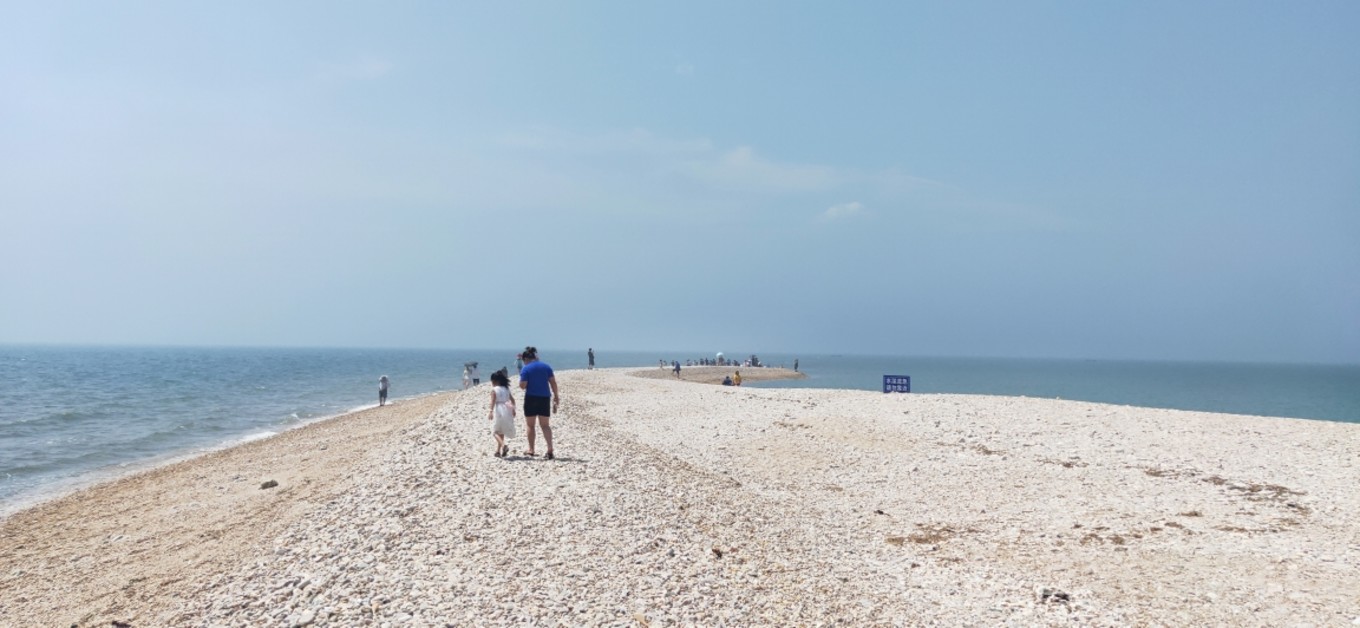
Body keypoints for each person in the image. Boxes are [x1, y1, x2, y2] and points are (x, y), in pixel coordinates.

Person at [518, 346, 559, 459]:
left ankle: (531, 449)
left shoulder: (526, 369)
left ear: (525, 359)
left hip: (531, 398)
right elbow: (553, 383)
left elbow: (523, 386)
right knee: (545, 425)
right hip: (544, 398)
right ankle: (550, 448)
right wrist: (556, 396)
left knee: (530, 425)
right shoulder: (546, 366)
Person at [487, 368, 516, 457]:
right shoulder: (506, 389)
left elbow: (492, 401)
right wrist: (513, 409)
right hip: (507, 409)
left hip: (499, 410)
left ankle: (504, 446)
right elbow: (513, 400)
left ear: (494, 381)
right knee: (501, 431)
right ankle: (498, 451)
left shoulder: (494, 390)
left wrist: (490, 411)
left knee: (495, 432)